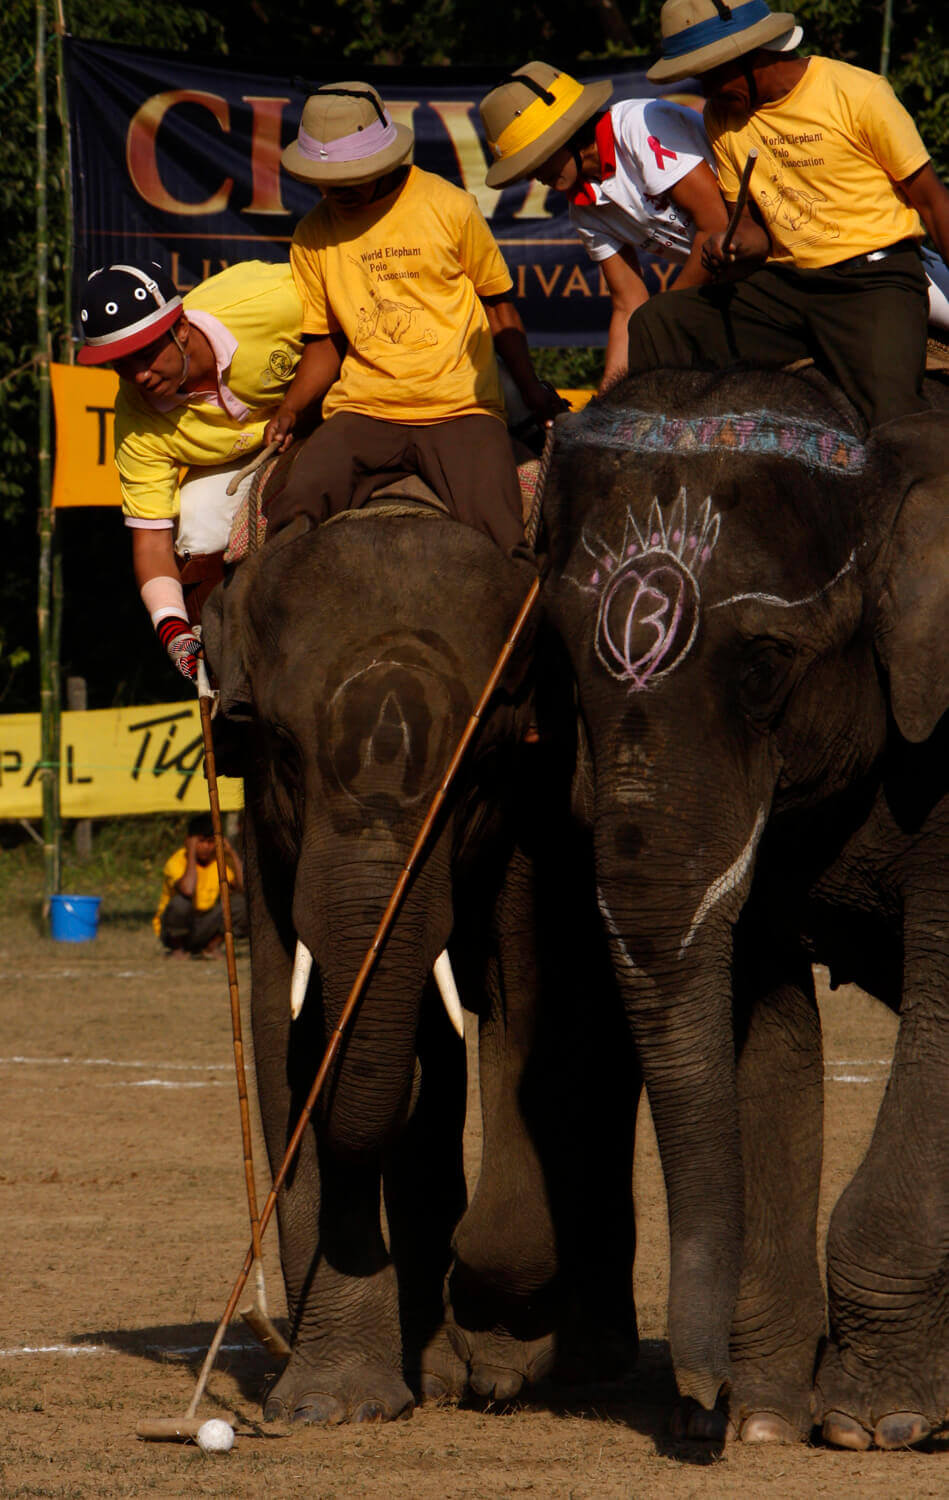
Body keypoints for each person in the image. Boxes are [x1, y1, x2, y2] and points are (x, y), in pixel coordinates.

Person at [261, 82, 564, 553]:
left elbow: (499, 307)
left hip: (460, 408)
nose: (335, 189)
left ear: (383, 162)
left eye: (349, 175)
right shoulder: (311, 234)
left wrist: (531, 393)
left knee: (504, 539)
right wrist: (290, 408)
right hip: (362, 409)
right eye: (326, 178)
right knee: (294, 507)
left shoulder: (450, 207)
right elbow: (325, 343)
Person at [624, 0, 949, 429]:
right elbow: (749, 226)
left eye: (710, 73)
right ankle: (660, 456)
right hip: (786, 286)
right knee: (658, 320)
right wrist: (732, 241)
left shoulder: (857, 91)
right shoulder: (722, 117)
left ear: (751, 53)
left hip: (872, 280)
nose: (705, 91)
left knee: (894, 420)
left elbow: (931, 200)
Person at [77, 260, 307, 680]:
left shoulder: (271, 300)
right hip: (245, 460)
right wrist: (171, 629)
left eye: (146, 352)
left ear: (180, 327)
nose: (139, 375)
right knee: (196, 518)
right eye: (120, 363)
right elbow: (151, 542)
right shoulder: (134, 417)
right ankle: (226, 682)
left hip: (331, 413)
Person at [479, 61, 759, 391]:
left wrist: (664, 316)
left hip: (781, 260)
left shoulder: (639, 127)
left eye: (535, 159)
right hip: (731, 286)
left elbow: (716, 226)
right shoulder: (583, 211)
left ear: (565, 133)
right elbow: (628, 305)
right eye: (524, 170)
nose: (533, 177)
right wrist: (607, 402)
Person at [153, 814, 246, 957]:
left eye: (210, 842)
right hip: (175, 929)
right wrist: (191, 853)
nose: (206, 847)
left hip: (204, 925)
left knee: (243, 904)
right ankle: (178, 949)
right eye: (201, 841)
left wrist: (232, 853)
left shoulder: (219, 862)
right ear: (188, 841)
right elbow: (187, 890)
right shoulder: (177, 861)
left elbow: (244, 889)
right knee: (180, 903)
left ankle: (211, 947)